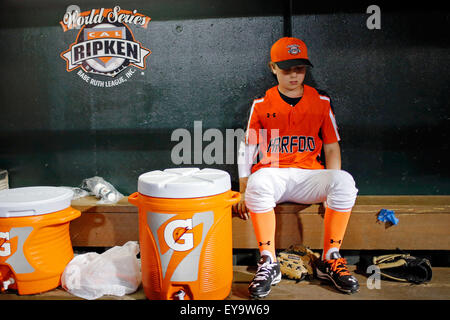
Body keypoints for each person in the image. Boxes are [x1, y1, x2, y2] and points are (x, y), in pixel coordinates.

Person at [234, 37, 359, 299]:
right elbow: (248, 149)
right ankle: (268, 261)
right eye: (286, 68)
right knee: (258, 181)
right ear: (273, 68)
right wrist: (243, 189)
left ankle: (330, 258)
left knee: (344, 181)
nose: (294, 75)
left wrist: (330, 193)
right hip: (274, 174)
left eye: (299, 69)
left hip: (309, 176)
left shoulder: (321, 102)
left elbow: (332, 147)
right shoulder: (261, 104)